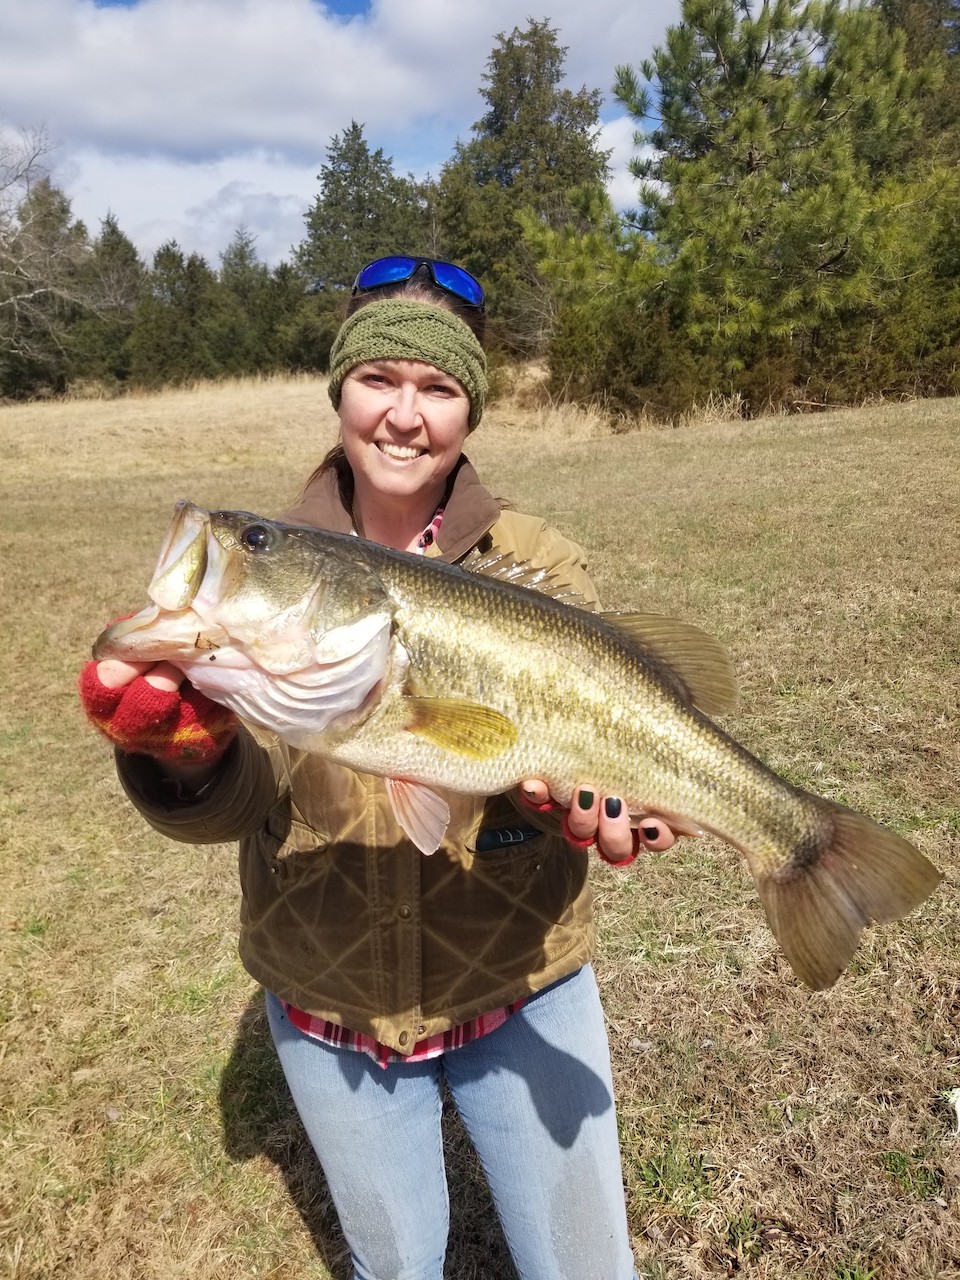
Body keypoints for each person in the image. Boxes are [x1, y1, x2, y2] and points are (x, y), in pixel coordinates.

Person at [79, 255, 678, 1280]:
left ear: (471, 411)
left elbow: (573, 751)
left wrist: (566, 801)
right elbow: (236, 802)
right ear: (339, 392)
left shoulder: (538, 558)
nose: (405, 415)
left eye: (439, 388)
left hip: (521, 979)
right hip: (329, 997)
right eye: (379, 380)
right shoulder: (277, 583)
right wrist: (183, 753)